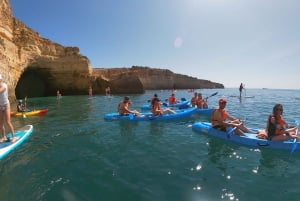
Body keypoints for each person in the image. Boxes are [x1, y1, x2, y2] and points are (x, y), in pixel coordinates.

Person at [0, 74, 15, 142]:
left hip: (6, 105)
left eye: (0, 80)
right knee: (1, 123)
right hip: (0, 106)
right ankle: (4, 137)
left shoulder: (4, 86)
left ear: (1, 79)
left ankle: (13, 137)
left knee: (8, 122)